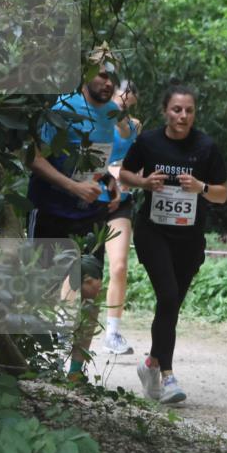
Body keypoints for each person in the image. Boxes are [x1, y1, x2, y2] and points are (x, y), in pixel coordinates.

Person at [119, 83, 227, 404]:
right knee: (167, 295)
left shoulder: (206, 147)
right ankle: (167, 376)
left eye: (189, 111)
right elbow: (124, 174)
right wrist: (144, 182)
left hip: (189, 238)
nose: (183, 116)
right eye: (177, 110)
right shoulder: (149, 141)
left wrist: (201, 186)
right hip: (153, 232)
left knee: (171, 305)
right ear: (165, 111)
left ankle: (151, 364)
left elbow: (222, 194)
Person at [27, 44, 122, 381]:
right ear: (85, 74)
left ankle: (76, 373)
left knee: (91, 287)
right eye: (101, 75)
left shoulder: (112, 112)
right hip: (50, 210)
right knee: (42, 291)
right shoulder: (62, 107)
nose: (107, 83)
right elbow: (34, 158)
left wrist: (109, 180)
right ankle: (37, 361)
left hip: (88, 215)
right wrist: (73, 187)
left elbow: (94, 160)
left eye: (112, 78)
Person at [101, 80, 142, 355]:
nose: (123, 102)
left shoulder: (135, 126)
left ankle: (112, 334)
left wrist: (132, 177)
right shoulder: (94, 119)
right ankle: (62, 329)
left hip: (121, 204)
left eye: (129, 99)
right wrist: (111, 173)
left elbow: (135, 161)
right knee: (78, 268)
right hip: (90, 199)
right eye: (121, 96)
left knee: (118, 266)